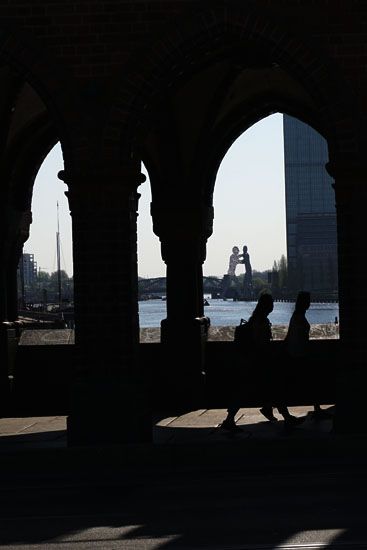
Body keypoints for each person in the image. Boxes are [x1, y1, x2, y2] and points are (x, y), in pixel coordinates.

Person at [221, 292, 303, 432]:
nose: (272, 307)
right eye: (271, 304)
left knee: (245, 391)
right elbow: (262, 344)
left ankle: (232, 419)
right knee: (274, 389)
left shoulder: (254, 319)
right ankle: (284, 417)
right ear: (267, 306)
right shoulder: (263, 322)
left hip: (251, 361)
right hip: (259, 362)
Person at [284, 290, 332, 420]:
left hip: (295, 353)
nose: (310, 303)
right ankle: (317, 408)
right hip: (300, 355)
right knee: (313, 382)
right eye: (308, 301)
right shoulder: (300, 317)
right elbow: (301, 338)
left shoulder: (296, 315)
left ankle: (316, 408)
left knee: (306, 383)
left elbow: (290, 336)